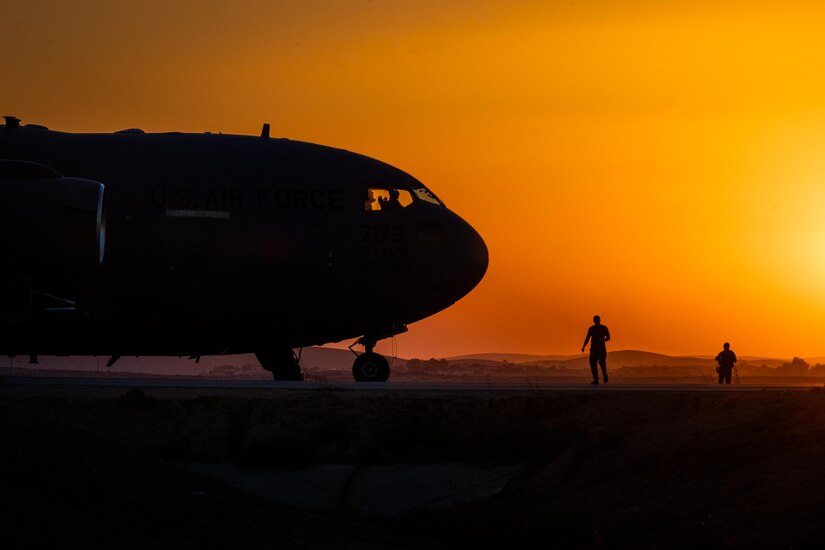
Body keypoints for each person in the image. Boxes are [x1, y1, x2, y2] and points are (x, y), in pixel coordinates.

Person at [582, 315, 610, 384]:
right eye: (595, 319)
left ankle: (604, 376)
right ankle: (596, 379)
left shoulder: (603, 328)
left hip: (600, 349)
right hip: (594, 349)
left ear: (599, 320)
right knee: (593, 364)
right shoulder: (592, 328)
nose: (596, 321)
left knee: (601, 363)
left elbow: (608, 338)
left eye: (596, 319)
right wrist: (583, 346)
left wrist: (602, 340)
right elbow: (587, 338)